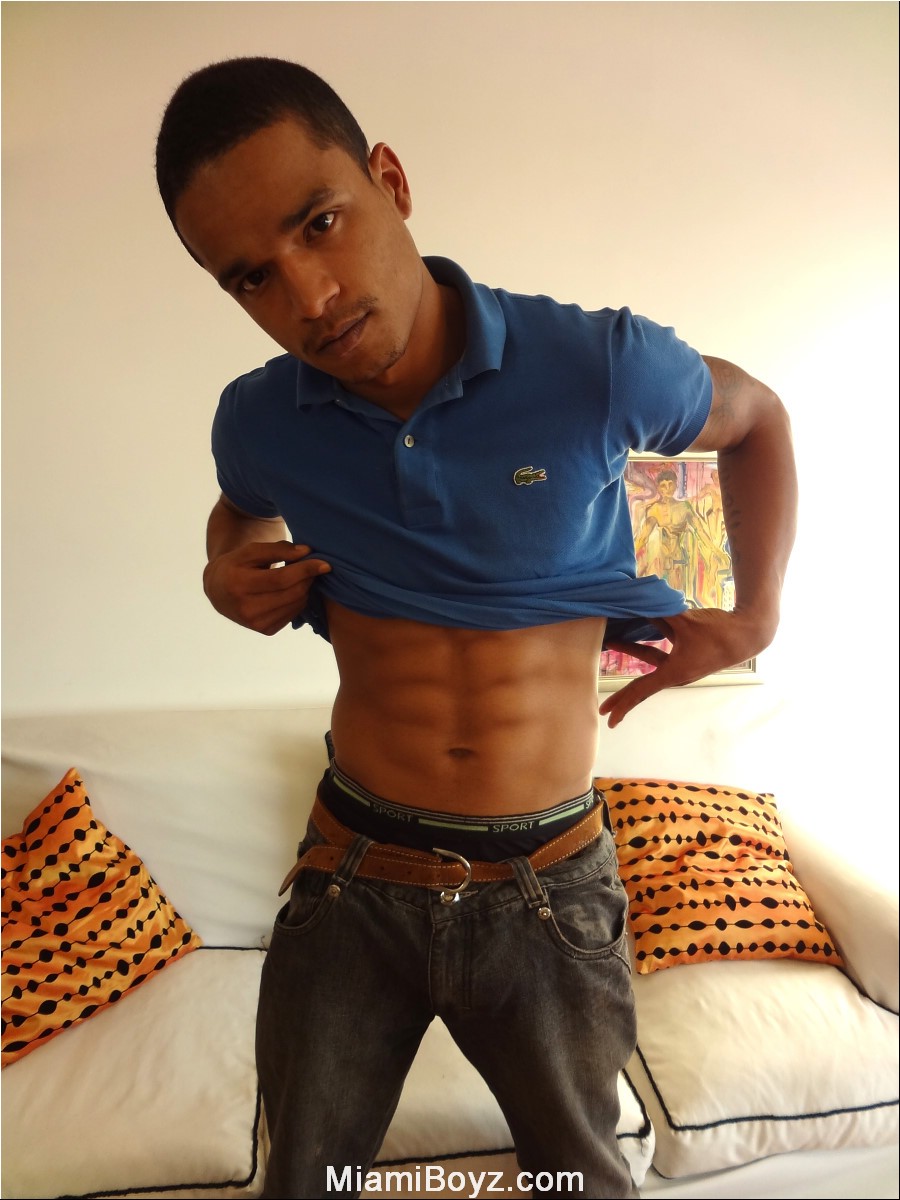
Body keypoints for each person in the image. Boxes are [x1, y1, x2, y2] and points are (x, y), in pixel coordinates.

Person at [155, 57, 797, 1199]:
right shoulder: (260, 417)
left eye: (319, 223)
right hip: (352, 867)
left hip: (549, 875)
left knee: (579, 1179)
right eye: (251, 276)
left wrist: (752, 615)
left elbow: (756, 421)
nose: (308, 297)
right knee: (306, 1179)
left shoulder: (597, 366)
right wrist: (222, 570)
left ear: (391, 181)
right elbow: (239, 508)